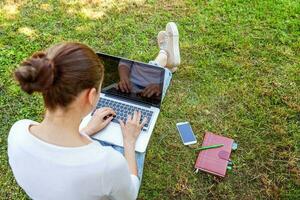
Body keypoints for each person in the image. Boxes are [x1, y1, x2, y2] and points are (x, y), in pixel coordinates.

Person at [7, 22, 180, 200]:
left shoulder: (18, 131)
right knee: (131, 142)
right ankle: (164, 60)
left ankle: (164, 58)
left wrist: (87, 130)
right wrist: (129, 141)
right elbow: (130, 195)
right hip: (109, 173)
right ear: (91, 96)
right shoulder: (107, 164)